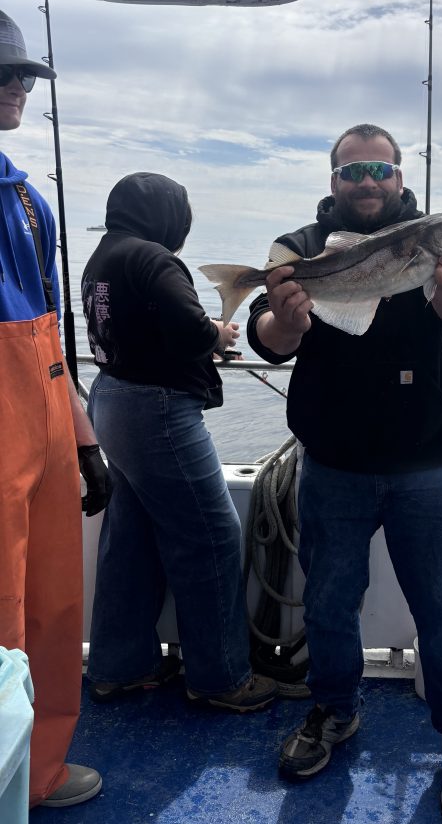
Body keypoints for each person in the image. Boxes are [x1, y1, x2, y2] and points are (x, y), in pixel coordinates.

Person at [247, 124, 442, 823]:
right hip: (334, 464)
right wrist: (286, 321)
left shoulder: (438, 240)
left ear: (399, 176)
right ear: (333, 182)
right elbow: (272, 338)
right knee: (328, 604)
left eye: (379, 170)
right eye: (353, 171)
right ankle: (332, 711)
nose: (367, 183)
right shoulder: (296, 250)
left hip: (427, 463)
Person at [82, 173, 278, 713]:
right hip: (157, 411)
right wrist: (220, 333)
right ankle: (221, 678)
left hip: (111, 399)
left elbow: (136, 328)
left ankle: (119, 667)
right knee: (210, 536)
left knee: (130, 535)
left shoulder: (104, 254)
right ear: (170, 216)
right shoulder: (154, 258)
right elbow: (191, 329)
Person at [0, 8, 108, 808]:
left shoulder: (30, 205)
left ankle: (33, 773)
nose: (17, 91)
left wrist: (85, 440)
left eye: (23, 77)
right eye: (5, 77)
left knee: (51, 606)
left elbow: (50, 340)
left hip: (42, 430)